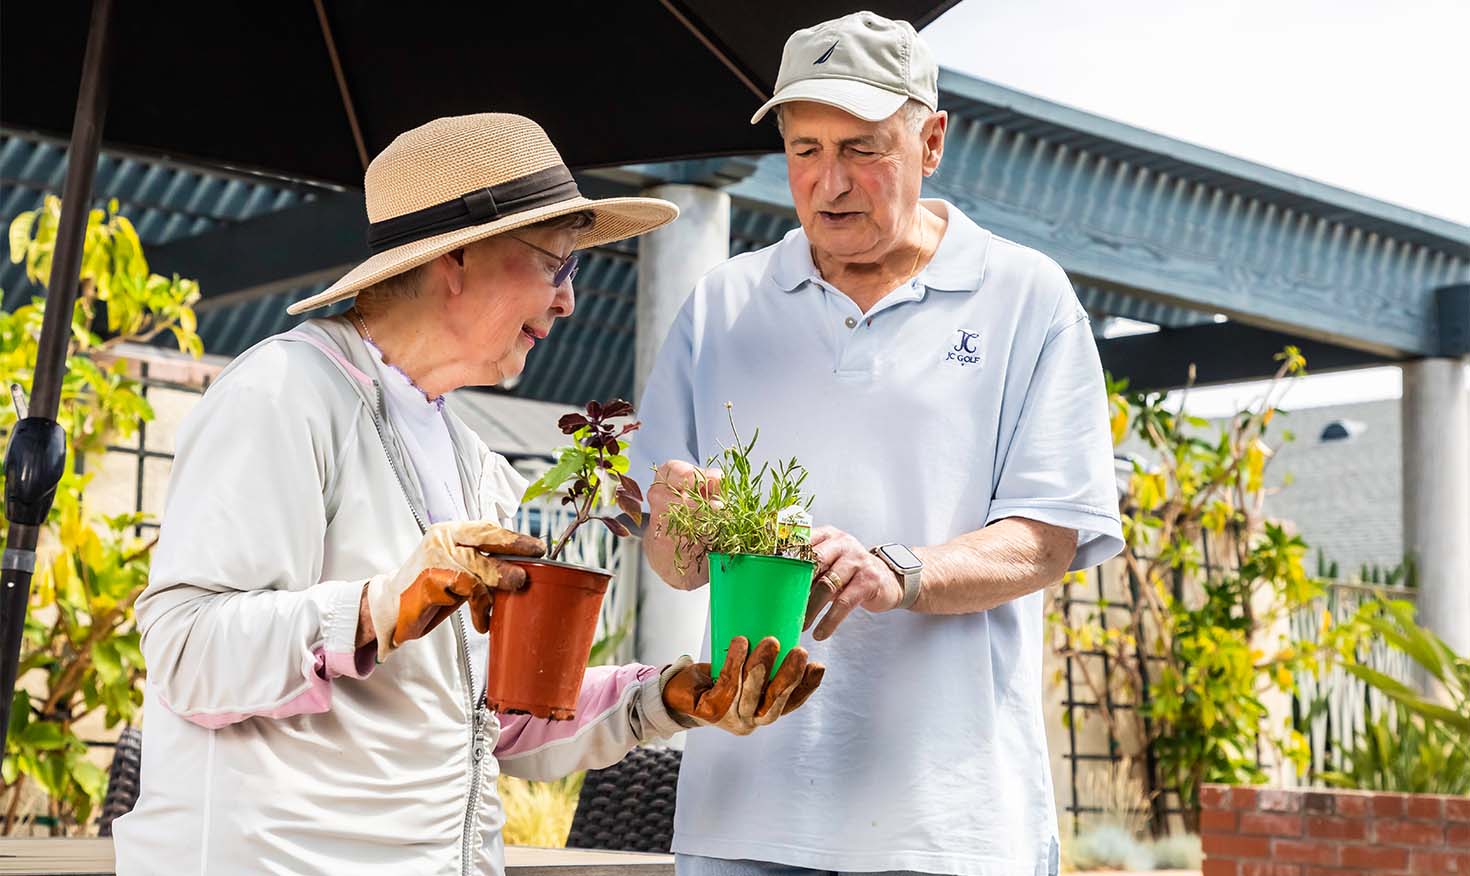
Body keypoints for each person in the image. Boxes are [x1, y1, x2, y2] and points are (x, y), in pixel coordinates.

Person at [113, 113, 822, 876]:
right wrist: (382, 606)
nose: (568, 303)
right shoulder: (281, 395)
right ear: (458, 257)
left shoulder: (472, 463)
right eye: (558, 264)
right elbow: (186, 654)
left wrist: (666, 698)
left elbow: (493, 718)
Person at [633, 13, 1124, 876]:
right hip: (744, 816)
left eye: (863, 148)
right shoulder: (722, 305)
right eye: (806, 149)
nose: (830, 183)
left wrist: (902, 570)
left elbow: (1048, 538)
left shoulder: (1025, 297)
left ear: (931, 140)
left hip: (949, 824)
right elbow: (674, 563)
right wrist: (675, 523)